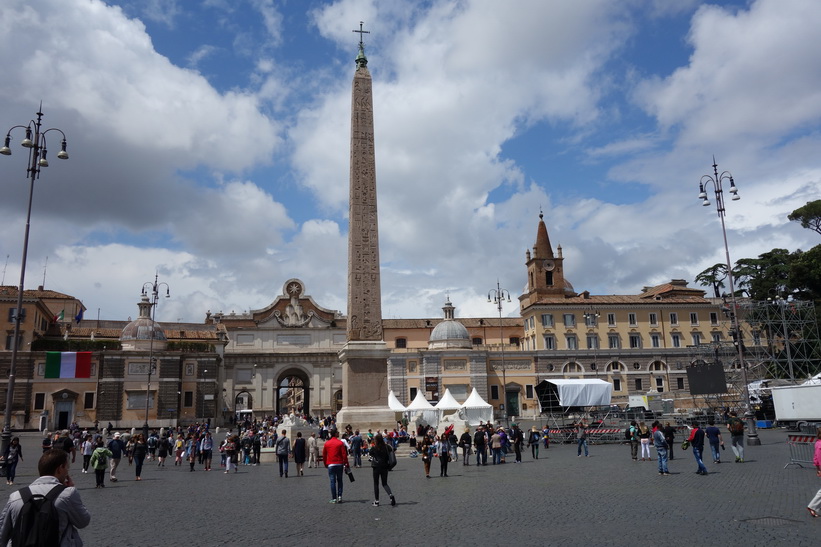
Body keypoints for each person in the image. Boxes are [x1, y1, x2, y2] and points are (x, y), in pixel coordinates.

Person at [0, 448, 91, 546]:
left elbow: (3, 533)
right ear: (60, 469)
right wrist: (70, 488)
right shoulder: (67, 494)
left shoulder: (16, 497)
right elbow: (83, 521)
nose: (67, 473)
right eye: (67, 469)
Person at [369, 434, 396, 507]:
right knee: (384, 483)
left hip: (376, 467)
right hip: (385, 466)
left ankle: (377, 501)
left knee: (376, 483)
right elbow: (392, 451)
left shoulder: (374, 448)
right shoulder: (387, 447)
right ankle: (391, 495)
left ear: (376, 440)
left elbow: (370, 455)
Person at [322, 429, 348, 503]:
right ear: (335, 434)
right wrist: (346, 464)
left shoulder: (327, 443)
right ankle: (340, 496)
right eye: (338, 432)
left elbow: (324, 455)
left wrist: (325, 464)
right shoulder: (340, 443)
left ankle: (334, 498)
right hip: (339, 464)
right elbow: (344, 455)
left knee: (332, 481)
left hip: (331, 464)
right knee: (340, 481)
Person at [807, 427, 821, 518]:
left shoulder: (817, 443)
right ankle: (813, 506)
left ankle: (813, 506)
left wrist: (818, 469)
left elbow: (816, 459)